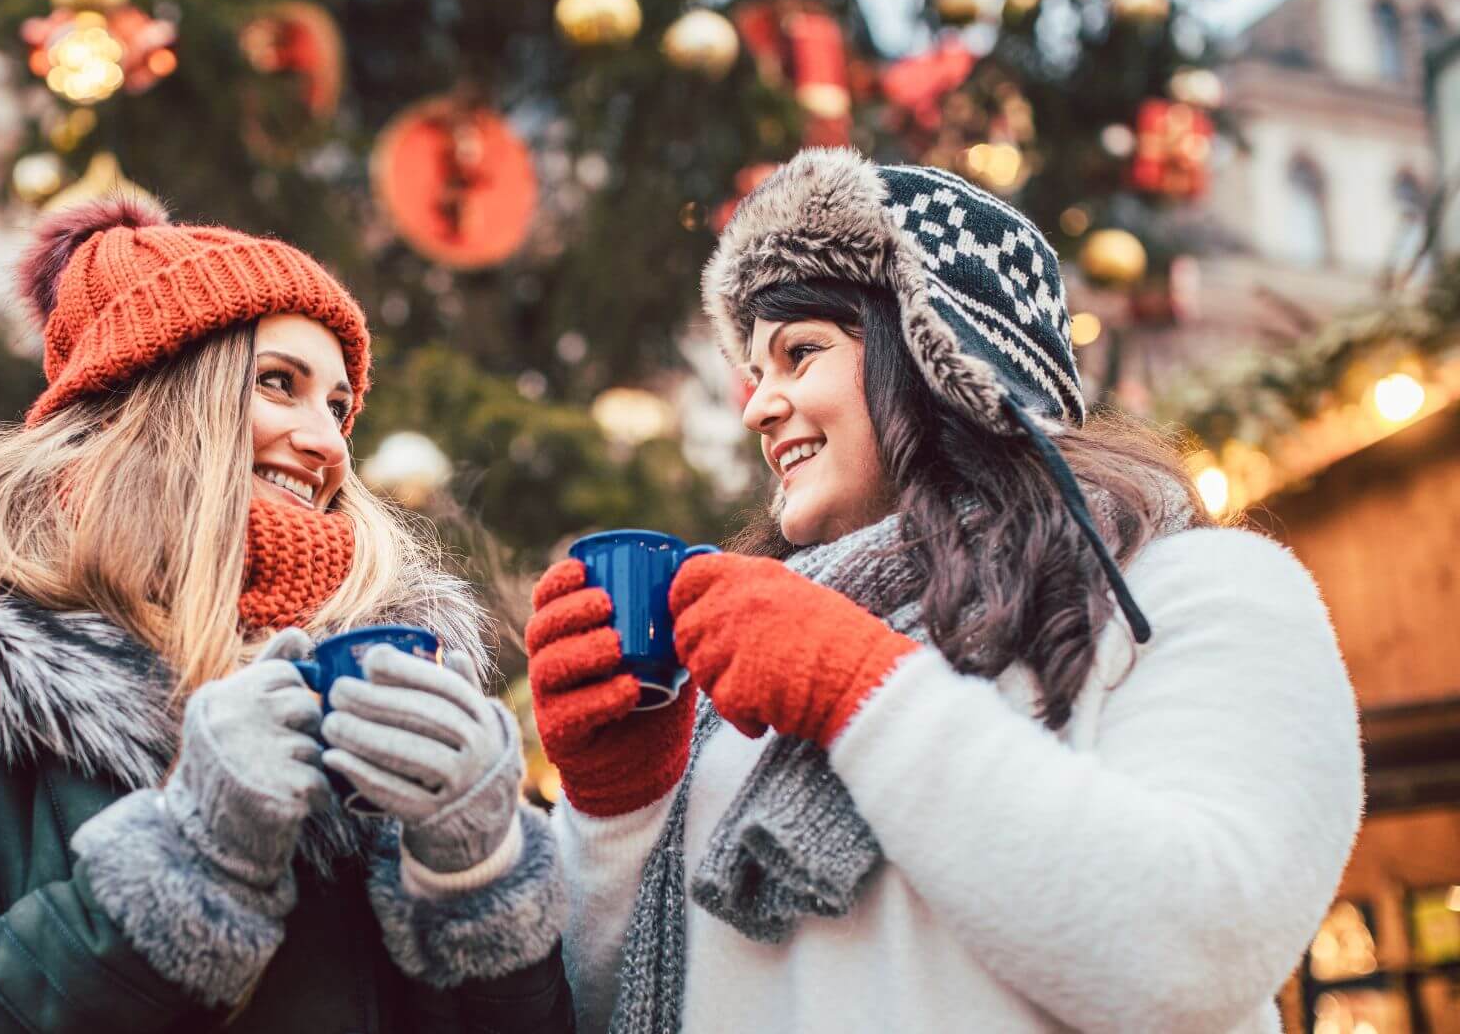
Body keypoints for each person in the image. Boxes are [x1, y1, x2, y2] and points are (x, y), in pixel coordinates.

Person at [525, 148, 1363, 1033]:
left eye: (800, 353)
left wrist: (864, 692)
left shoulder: (1194, 592)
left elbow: (1198, 953)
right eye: (756, 373)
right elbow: (617, 1007)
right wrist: (618, 810)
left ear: (941, 355)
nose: (757, 408)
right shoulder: (739, 689)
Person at [0, 195, 571, 1032]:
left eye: (338, 406)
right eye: (278, 383)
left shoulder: (386, 678)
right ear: (151, 402)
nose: (330, 443)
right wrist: (189, 857)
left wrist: (476, 874)